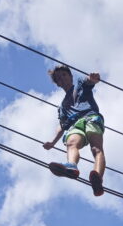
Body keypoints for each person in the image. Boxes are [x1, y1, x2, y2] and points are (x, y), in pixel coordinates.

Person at [43, 65, 106, 196]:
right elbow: (61, 126)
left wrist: (93, 78)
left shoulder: (79, 84)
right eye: (59, 78)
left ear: (70, 76)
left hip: (91, 117)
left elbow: (88, 81)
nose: (62, 79)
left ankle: (97, 178)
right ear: (58, 84)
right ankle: (71, 166)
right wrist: (53, 142)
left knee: (96, 149)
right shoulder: (62, 107)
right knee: (71, 142)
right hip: (75, 124)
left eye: (64, 75)